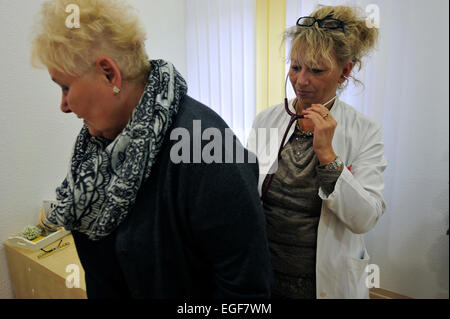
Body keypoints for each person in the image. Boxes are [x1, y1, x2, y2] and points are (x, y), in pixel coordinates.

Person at [31, 0, 272, 298]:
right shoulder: (96, 152)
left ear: (109, 74)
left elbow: (246, 294)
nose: (64, 106)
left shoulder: (208, 150)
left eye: (65, 87)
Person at [247, 5, 386, 299]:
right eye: (295, 66)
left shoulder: (365, 131)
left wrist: (328, 158)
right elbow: (248, 194)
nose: (300, 80)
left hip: (324, 283)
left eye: (316, 69)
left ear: (345, 71)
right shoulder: (266, 120)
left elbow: (365, 218)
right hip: (265, 274)